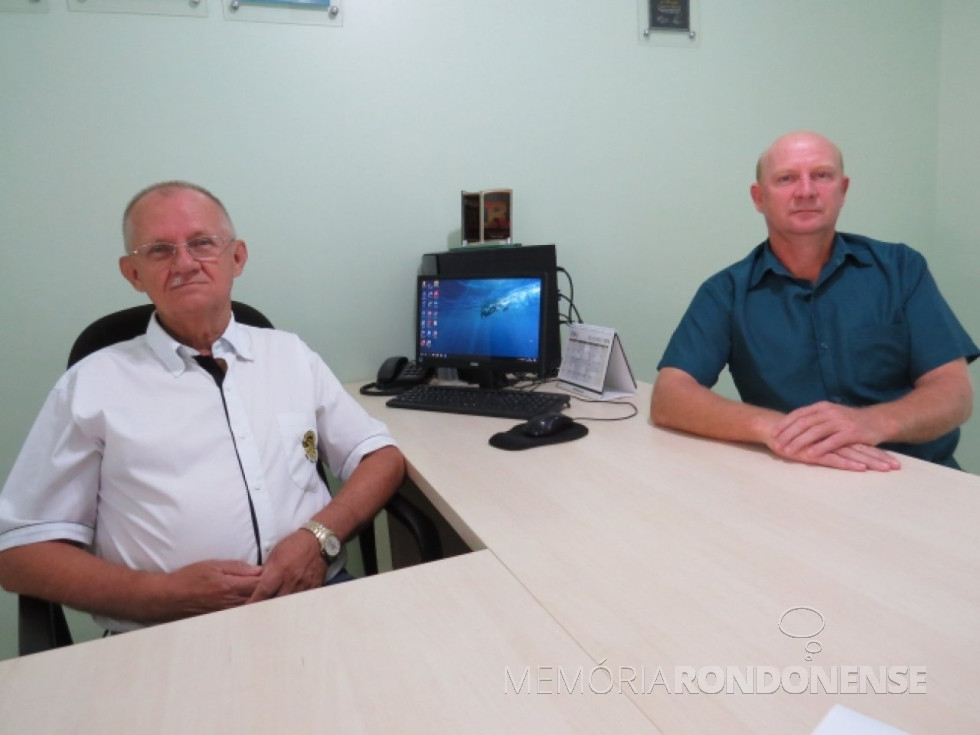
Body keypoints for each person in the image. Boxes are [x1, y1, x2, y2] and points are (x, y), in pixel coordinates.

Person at [0, 181, 406, 633]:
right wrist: (159, 596)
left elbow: (380, 457)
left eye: (202, 243)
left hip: (313, 596)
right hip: (167, 633)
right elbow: (19, 554)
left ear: (237, 257)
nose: (185, 263)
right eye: (159, 250)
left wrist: (319, 538)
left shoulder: (290, 355)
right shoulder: (90, 386)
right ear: (133, 274)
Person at [652, 132, 978, 472]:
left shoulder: (901, 269)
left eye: (822, 175)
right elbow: (670, 396)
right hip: (797, 474)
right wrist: (778, 430)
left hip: (915, 474)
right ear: (759, 197)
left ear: (843, 191)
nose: (806, 191)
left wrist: (873, 423)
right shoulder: (726, 292)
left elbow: (954, 392)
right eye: (786, 178)